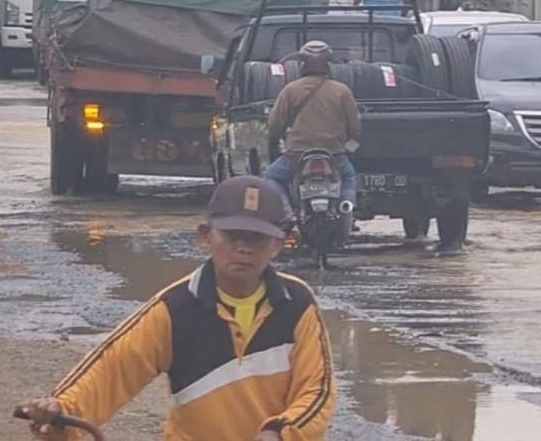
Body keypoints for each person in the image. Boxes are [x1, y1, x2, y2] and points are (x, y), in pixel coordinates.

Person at [18, 176, 336, 441]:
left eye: (258, 238)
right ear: (206, 236)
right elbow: (114, 367)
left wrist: (280, 433)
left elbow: (318, 391)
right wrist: (62, 410)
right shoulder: (175, 308)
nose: (244, 247)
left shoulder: (298, 303)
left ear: (279, 244)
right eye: (233, 235)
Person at [264, 41, 360, 216]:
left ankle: (286, 212)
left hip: (296, 155)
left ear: (302, 64)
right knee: (348, 177)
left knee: (272, 177)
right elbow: (354, 126)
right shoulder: (342, 91)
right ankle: (346, 206)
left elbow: (275, 123)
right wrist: (348, 142)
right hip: (334, 155)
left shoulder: (290, 90)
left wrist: (274, 140)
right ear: (328, 64)